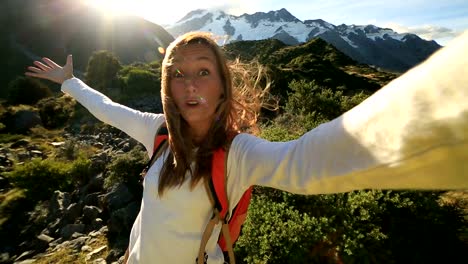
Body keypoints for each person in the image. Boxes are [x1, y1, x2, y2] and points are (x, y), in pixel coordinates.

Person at [26, 31, 468, 263]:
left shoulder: (240, 154)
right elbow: (108, 109)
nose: (189, 84)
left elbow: (306, 162)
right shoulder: (158, 133)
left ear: (222, 87)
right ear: (166, 87)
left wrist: (448, 111)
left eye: (203, 72)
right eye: (177, 73)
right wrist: (70, 83)